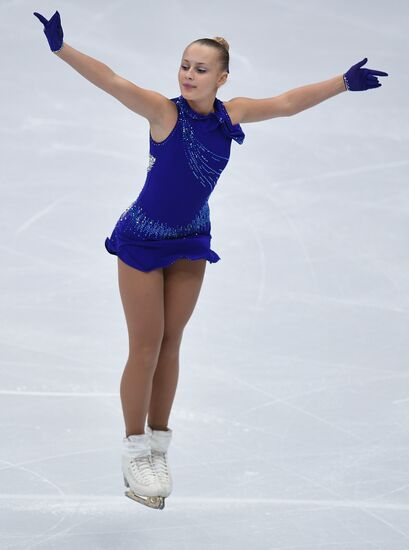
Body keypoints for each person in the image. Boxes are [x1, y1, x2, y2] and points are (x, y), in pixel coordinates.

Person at [33, 10, 388, 510]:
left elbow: (286, 103)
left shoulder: (232, 113)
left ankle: (159, 445)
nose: (188, 75)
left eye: (200, 69)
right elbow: (113, 81)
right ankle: (135, 448)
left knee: (172, 341)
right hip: (143, 238)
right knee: (146, 344)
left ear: (221, 78)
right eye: (184, 65)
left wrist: (342, 84)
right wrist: (61, 49)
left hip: (192, 237)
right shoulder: (163, 112)